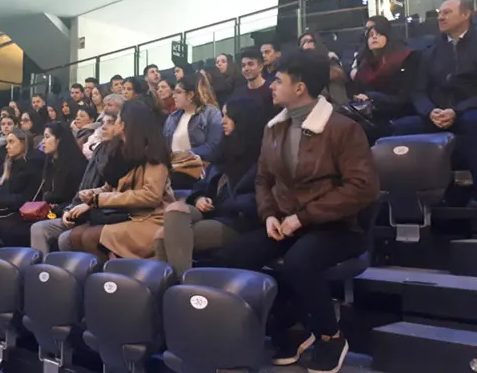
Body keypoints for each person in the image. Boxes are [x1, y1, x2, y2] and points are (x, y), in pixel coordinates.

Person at [212, 50, 379, 372]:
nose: (272, 86)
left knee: (300, 262)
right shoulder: (274, 129)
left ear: (300, 87)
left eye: (278, 80)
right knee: (235, 254)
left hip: (339, 226)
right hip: (288, 222)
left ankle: (330, 337)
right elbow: (263, 180)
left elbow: (362, 188)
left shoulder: (343, 128)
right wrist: (270, 215)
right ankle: (286, 330)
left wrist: (302, 217)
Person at [155, 97, 266, 276]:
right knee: (175, 209)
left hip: (237, 221)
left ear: (243, 118)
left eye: (228, 116)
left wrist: (219, 204)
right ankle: (175, 286)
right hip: (212, 211)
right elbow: (202, 183)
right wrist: (199, 198)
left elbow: (256, 200)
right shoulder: (224, 149)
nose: (222, 121)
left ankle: (178, 286)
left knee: (162, 236)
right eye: (222, 115)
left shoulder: (260, 156)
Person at [67, 101, 176, 262]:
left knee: (90, 237)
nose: (115, 122)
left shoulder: (153, 154)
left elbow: (151, 196)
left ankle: (112, 278)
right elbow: (110, 187)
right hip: (127, 215)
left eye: (118, 118)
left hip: (151, 219)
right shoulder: (121, 152)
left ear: (127, 124)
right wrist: (92, 194)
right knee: (75, 236)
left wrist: (99, 200)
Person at [396, 0, 477, 199]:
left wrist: (457, 111)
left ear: (466, 14)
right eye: (439, 12)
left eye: (447, 12)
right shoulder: (431, 51)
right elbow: (419, 91)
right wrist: (429, 111)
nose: (440, 17)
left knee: (471, 122)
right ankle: (409, 201)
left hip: (468, 110)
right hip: (437, 114)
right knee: (399, 128)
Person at [31, 112, 120, 254]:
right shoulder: (50, 162)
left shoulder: (76, 165)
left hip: (84, 213)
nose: (43, 142)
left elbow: (96, 191)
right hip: (67, 210)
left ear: (59, 140)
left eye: (47, 137)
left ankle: (44, 271)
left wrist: (64, 209)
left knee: (40, 229)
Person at [351, 18, 418, 140]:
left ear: (388, 37)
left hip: (398, 111)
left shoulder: (405, 59)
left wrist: (372, 97)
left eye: (379, 34)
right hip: (371, 113)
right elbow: (357, 92)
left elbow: (406, 98)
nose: (374, 38)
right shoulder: (364, 65)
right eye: (371, 35)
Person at [0, 129, 45, 246]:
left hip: (25, 213)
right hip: (10, 211)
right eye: (7, 143)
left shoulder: (34, 164)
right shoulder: (11, 163)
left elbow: (29, 198)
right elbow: (4, 192)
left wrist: (0, 200)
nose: (7, 147)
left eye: (11, 142)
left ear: (23, 143)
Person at [163, 72, 225, 188]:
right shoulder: (172, 118)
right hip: (172, 170)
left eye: (178, 92)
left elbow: (214, 147)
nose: (173, 96)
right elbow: (164, 148)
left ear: (190, 95)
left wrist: (185, 155)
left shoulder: (211, 113)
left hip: (199, 171)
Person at [231, 47, 276, 117]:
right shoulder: (238, 93)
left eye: (250, 64)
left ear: (261, 66)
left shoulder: (272, 90)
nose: (246, 68)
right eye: (243, 65)